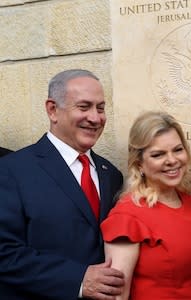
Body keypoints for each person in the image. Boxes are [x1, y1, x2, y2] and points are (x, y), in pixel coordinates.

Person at [0, 69, 125, 299]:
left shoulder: (111, 174)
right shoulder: (11, 171)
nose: (96, 118)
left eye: (101, 108)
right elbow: (4, 252)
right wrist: (77, 279)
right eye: (84, 106)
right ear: (52, 110)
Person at [100, 111, 191, 300]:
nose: (172, 160)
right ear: (139, 164)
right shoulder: (127, 216)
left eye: (178, 150)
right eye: (158, 154)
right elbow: (117, 296)